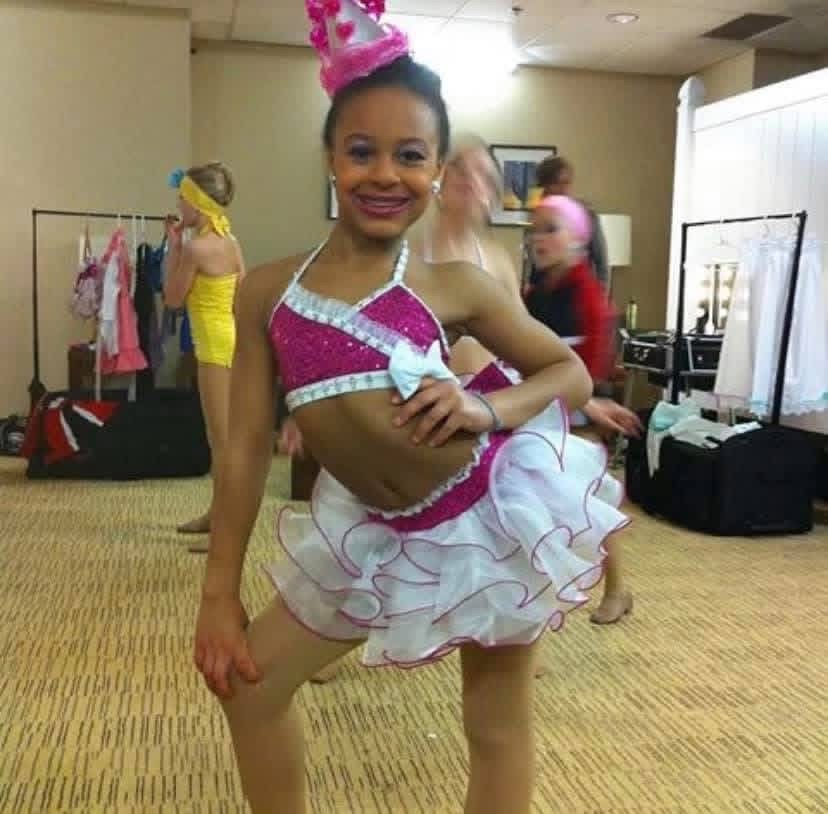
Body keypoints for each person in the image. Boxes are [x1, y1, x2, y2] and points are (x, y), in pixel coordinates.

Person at [194, 4, 628, 812]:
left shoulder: (452, 286)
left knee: (495, 723)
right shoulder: (268, 294)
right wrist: (219, 592)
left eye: (410, 156)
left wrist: (485, 407)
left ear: (432, 172)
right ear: (330, 157)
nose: (385, 174)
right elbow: (245, 448)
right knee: (250, 690)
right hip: (370, 535)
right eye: (362, 152)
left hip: (492, 517)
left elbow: (566, 372)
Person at [525, 194, 639, 624]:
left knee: (590, 506)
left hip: (578, 419)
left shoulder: (588, 295)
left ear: (578, 239)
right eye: (534, 230)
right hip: (540, 409)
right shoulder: (534, 293)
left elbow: (593, 366)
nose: (538, 238)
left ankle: (617, 588)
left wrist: (588, 410)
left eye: (550, 228)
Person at [164, 163, 246, 540]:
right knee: (226, 437)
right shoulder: (230, 243)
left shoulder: (197, 248)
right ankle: (218, 516)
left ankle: (226, 530)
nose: (179, 204)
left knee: (221, 440)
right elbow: (241, 297)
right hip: (230, 341)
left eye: (183, 197)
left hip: (213, 348)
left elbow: (172, 298)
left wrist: (175, 247)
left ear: (197, 201)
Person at [535, 155, 609, 288]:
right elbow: (534, 265)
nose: (564, 189)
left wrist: (600, 299)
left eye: (567, 183)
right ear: (545, 186)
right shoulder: (538, 217)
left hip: (580, 293)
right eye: (557, 183)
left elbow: (601, 263)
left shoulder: (586, 215)